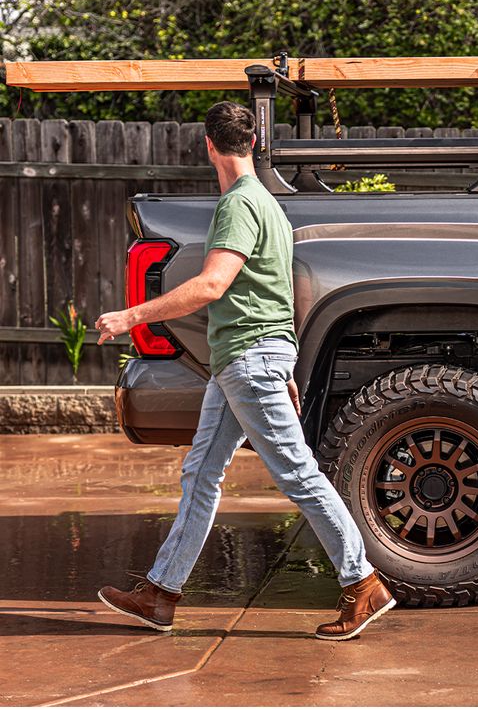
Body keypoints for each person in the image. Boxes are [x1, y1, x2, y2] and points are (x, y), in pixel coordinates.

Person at [94, 101, 394, 641]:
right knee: (201, 473)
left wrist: (131, 315)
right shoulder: (271, 207)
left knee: (298, 474)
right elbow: (277, 292)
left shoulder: (239, 204)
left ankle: (363, 582)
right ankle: (161, 594)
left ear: (208, 145)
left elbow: (212, 285)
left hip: (248, 360)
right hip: (246, 361)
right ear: (253, 144)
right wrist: (284, 365)